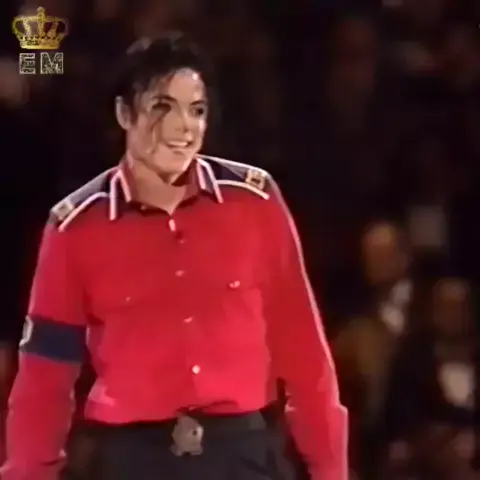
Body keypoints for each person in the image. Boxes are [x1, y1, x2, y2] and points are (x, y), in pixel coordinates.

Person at [2, 33, 347, 480]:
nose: (182, 127)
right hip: (133, 461)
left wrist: (330, 470)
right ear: (125, 113)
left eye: (196, 110)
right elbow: (44, 378)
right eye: (162, 107)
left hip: (244, 456)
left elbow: (304, 351)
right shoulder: (75, 228)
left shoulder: (254, 202)